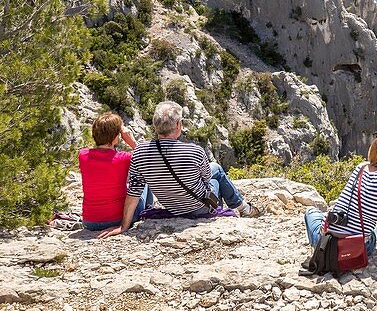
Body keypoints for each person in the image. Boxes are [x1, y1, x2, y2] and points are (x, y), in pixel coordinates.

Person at [97, 101, 260, 238]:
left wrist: (124, 226)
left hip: (172, 207)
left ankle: (243, 207)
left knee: (214, 171)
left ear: (155, 126)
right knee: (216, 170)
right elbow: (206, 179)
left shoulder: (139, 153)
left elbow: (134, 192)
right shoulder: (195, 151)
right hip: (200, 207)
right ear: (179, 125)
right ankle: (243, 208)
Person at [303, 132, 377, 259]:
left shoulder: (361, 167)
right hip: (356, 248)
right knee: (373, 231)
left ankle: (321, 250)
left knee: (310, 211)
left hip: (326, 243)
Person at [78, 112, 154, 232]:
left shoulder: (83, 155)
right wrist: (131, 141)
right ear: (115, 138)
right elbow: (147, 162)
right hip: (117, 219)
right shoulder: (124, 158)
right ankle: (149, 213)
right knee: (144, 181)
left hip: (90, 222)